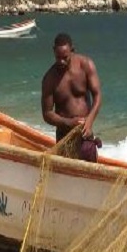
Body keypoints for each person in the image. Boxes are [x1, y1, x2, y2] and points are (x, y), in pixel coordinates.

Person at [41, 33, 103, 162]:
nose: (61, 61)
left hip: (85, 135)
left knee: (89, 173)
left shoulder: (86, 65)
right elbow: (47, 113)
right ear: (53, 51)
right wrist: (68, 122)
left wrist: (89, 121)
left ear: (72, 51)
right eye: (58, 57)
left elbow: (97, 95)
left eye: (65, 57)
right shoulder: (49, 79)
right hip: (64, 138)